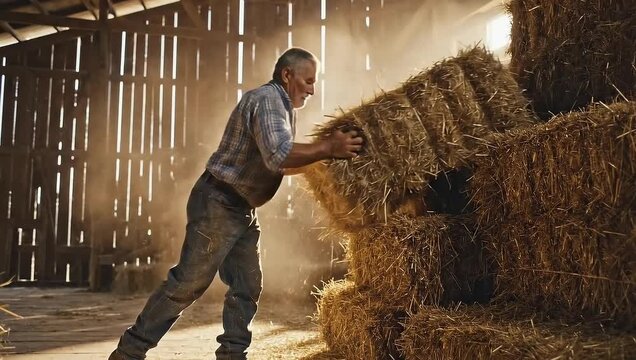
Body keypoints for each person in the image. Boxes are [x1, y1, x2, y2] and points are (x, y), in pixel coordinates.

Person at [109, 47, 363, 360]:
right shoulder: (268, 101)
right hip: (220, 202)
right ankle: (128, 353)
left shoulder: (284, 108)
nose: (312, 88)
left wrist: (324, 157)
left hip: (239, 207)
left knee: (248, 284)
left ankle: (232, 354)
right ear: (287, 75)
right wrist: (328, 146)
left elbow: (280, 164)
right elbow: (279, 155)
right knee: (187, 284)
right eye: (308, 80)